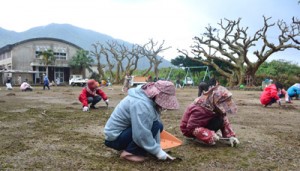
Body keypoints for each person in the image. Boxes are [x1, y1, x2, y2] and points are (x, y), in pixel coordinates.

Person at [104, 80, 179, 162]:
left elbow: (154, 124)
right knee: (153, 126)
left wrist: (157, 149)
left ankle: (132, 148)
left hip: (123, 133)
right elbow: (141, 134)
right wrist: (158, 152)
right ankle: (128, 153)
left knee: (158, 125)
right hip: (115, 138)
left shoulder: (148, 98)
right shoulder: (141, 104)